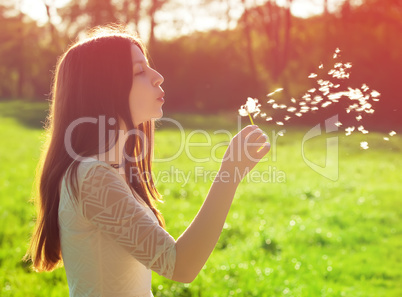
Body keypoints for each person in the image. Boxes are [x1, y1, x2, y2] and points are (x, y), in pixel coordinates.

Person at [24, 25, 270, 297]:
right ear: (104, 89)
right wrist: (230, 172)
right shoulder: (92, 177)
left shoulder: (110, 171)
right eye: (139, 71)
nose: (158, 77)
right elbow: (180, 265)